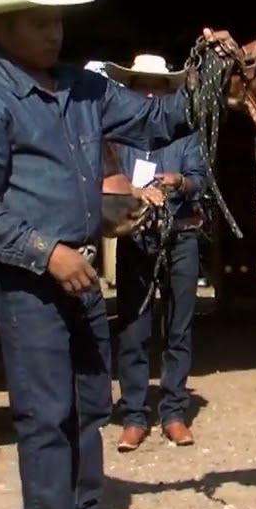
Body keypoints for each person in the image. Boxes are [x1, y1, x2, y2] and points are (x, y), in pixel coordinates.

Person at [0, 0, 236, 509]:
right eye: (38, 21)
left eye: (57, 21)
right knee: (46, 416)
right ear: (4, 26)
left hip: (74, 273)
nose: (53, 33)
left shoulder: (82, 88)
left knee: (86, 408)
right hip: (31, 282)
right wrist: (46, 253)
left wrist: (213, 70)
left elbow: (163, 121)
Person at [104, 54, 207, 452]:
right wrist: (134, 193)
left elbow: (200, 180)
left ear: (167, 90)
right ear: (130, 88)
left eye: (157, 84)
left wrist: (178, 181)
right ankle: (133, 415)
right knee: (133, 328)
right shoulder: (116, 139)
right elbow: (107, 185)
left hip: (180, 236)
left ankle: (174, 412)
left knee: (178, 328)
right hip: (136, 239)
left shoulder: (185, 134)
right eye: (141, 83)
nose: (148, 90)